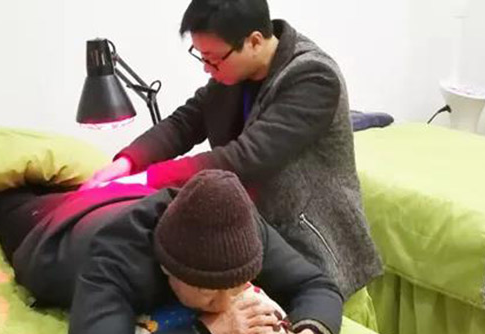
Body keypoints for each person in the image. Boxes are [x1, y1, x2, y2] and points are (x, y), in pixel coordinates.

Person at [81, 0, 382, 298]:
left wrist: (148, 178)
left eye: (213, 59)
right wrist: (127, 162)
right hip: (257, 229)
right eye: (201, 56)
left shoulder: (313, 76)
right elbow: (185, 123)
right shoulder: (234, 72)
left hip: (311, 237)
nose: (206, 68)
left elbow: (246, 158)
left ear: (254, 41)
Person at [0, 170, 343, 334]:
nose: (224, 307)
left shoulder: (241, 227)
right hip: (48, 230)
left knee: (69, 176)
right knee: (3, 191)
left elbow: (318, 284)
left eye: (235, 290)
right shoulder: (114, 258)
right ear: (166, 269)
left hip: (123, 196)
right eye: (208, 296)